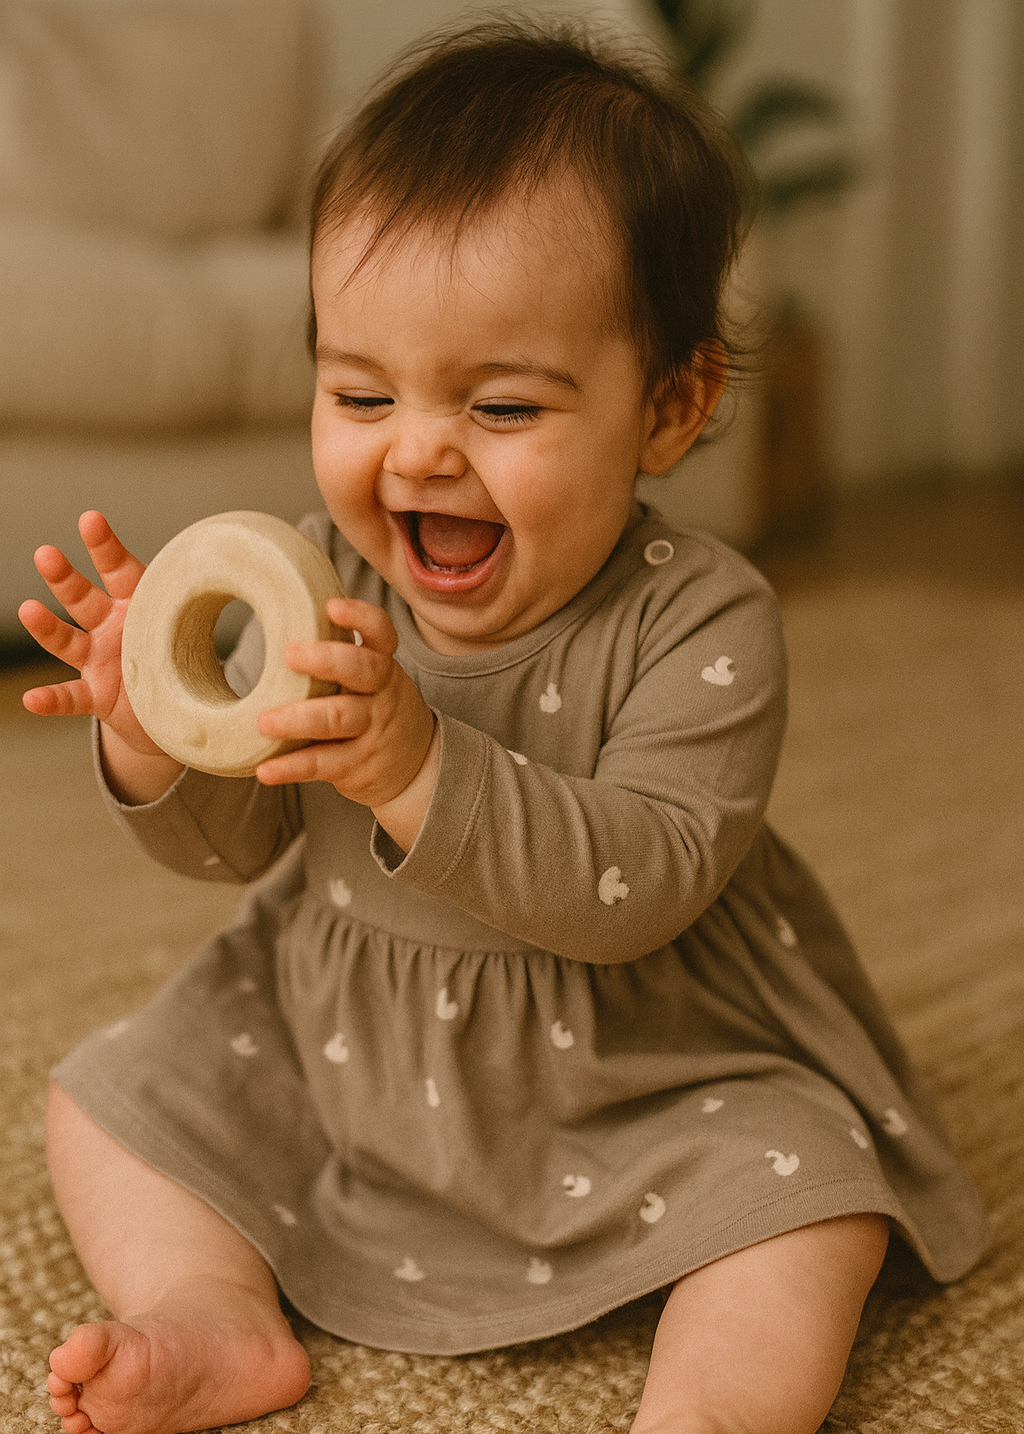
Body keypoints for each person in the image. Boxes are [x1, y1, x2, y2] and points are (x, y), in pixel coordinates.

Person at [20, 21, 985, 1434]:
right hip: (348, 1049)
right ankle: (211, 1310)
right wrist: (153, 741)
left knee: (808, 1191)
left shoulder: (702, 624)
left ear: (670, 406)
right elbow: (238, 846)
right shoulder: (324, 575)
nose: (415, 450)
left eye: (502, 403)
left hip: (631, 1067)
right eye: (359, 393)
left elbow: (640, 881)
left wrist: (418, 760)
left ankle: (707, 1408)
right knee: (106, 1098)